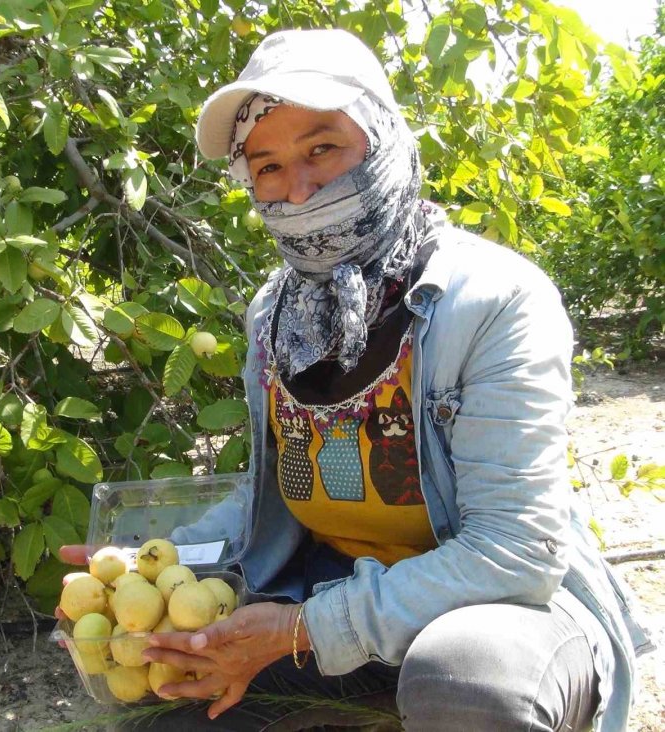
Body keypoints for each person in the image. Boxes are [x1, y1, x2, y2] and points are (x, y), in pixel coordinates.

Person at [59, 29, 652, 731]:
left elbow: (515, 552)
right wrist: (147, 567)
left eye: (322, 149)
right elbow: (273, 492)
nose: (298, 188)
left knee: (466, 684)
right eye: (268, 165)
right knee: (174, 711)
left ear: (382, 140)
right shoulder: (276, 316)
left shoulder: (493, 300)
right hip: (337, 603)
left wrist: (303, 629)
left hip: (503, 616)